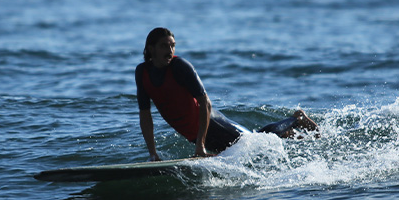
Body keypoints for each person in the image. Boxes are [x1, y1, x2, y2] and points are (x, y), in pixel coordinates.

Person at [135, 27, 318, 161]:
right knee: (242, 152)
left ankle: (296, 118)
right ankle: (287, 133)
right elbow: (145, 114)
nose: (170, 51)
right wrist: (153, 154)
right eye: (164, 46)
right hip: (192, 133)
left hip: (213, 125)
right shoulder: (142, 73)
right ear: (151, 48)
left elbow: (205, 103)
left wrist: (200, 145)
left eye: (173, 46)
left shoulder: (180, 67)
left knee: (255, 143)